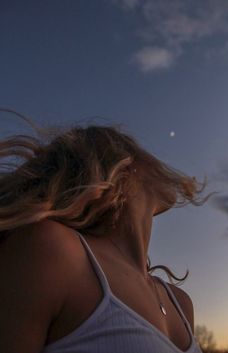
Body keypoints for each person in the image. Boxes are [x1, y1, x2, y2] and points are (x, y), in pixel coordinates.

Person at [0, 109, 215, 353]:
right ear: (122, 164)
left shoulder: (181, 302)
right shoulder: (53, 250)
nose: (156, 160)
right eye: (141, 150)